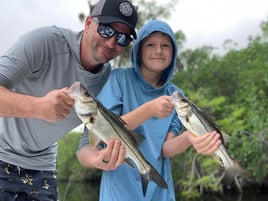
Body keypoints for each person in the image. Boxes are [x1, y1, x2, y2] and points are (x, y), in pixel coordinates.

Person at [0, 0, 138, 200]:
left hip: (42, 168)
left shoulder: (109, 83)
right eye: (107, 30)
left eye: (123, 38)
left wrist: (96, 158)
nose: (112, 43)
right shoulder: (45, 41)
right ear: (88, 23)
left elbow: (85, 143)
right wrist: (37, 107)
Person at [77, 19, 222, 201]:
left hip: (160, 193)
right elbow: (103, 127)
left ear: (173, 52)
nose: (158, 51)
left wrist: (191, 137)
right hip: (118, 192)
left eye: (166, 45)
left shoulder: (177, 96)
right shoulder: (119, 80)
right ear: (139, 50)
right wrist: (150, 109)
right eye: (150, 44)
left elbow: (165, 150)